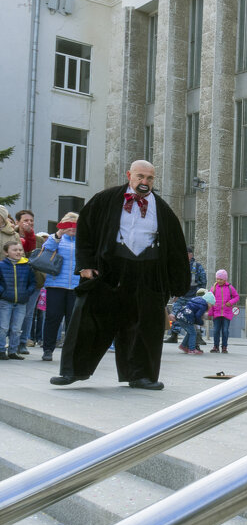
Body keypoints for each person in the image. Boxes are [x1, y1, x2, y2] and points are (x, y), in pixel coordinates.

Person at [49, 160, 189, 390]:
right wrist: (85, 264)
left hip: (147, 271)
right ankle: (73, 371)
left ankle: (141, 376)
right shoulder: (105, 200)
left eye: (150, 178)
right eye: (140, 177)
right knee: (89, 319)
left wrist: (177, 282)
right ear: (129, 175)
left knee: (145, 325)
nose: (144, 182)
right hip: (109, 269)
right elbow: (85, 230)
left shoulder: (162, 210)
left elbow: (175, 246)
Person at [39, 213, 80, 363]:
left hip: (76, 286)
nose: (72, 228)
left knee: (73, 320)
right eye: (68, 225)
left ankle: (71, 351)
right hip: (56, 284)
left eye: (75, 225)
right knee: (52, 317)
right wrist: (58, 234)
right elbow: (46, 250)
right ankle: (48, 349)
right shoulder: (55, 238)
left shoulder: (83, 241)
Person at [15, 209, 44, 351]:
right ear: (17, 222)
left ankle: (23, 342)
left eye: (31, 220)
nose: (29, 223)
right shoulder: (11, 236)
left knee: (28, 312)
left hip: (33, 279)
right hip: (13, 279)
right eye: (25, 220)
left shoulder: (38, 240)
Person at [165, 246, 206, 344]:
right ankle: (174, 335)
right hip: (180, 296)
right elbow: (173, 280)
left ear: (191, 255)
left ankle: (198, 337)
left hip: (193, 297)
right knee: (175, 314)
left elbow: (203, 281)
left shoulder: (198, 266)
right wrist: (173, 294)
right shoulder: (178, 266)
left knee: (195, 316)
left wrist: (199, 295)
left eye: (186, 254)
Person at [0, 239, 33, 359]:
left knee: (17, 328)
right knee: (3, 327)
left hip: (21, 302)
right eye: (15, 250)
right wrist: (2, 292)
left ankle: (13, 351)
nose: (18, 252)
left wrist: (27, 293)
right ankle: (1, 350)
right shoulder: (1, 265)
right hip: (5, 301)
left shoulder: (27, 266)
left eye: (20, 250)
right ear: (6, 252)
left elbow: (32, 283)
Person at [174, 289, 215, 355]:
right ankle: (192, 349)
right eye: (211, 305)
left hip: (180, 316)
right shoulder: (204, 305)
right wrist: (201, 322)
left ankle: (183, 346)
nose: (211, 307)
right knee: (193, 333)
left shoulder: (196, 300)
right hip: (187, 318)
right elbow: (198, 315)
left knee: (190, 332)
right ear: (208, 302)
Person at [208, 270, 240, 353]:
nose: (219, 281)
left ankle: (224, 347)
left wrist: (231, 302)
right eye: (217, 279)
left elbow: (236, 297)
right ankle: (216, 346)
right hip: (217, 313)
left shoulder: (230, 287)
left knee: (225, 330)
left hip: (227, 313)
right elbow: (210, 301)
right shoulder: (213, 288)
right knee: (216, 330)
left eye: (221, 279)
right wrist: (210, 312)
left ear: (225, 279)